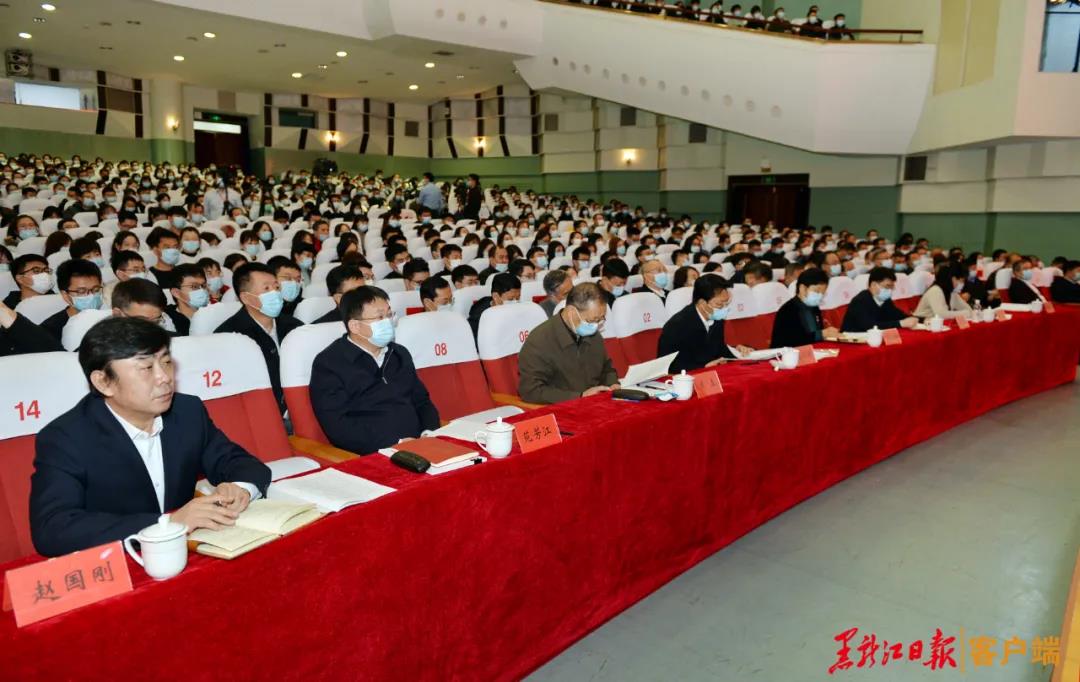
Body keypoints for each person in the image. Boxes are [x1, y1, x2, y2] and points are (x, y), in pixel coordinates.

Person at [29, 317, 270, 557]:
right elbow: (53, 529)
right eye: (146, 368)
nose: (164, 377)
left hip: (185, 553)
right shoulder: (65, 438)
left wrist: (239, 489)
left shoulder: (187, 412)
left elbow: (238, 462)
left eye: (166, 362)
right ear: (103, 382)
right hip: (120, 560)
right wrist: (167, 523)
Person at [309, 286, 439, 454]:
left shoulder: (399, 353)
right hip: (373, 453)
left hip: (420, 445)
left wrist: (428, 433)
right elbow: (338, 426)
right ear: (355, 326)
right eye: (380, 317)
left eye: (389, 314)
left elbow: (422, 402)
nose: (389, 322)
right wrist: (395, 443)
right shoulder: (329, 364)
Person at [214, 263, 304, 413]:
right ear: (246, 298)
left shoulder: (295, 326)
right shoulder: (227, 337)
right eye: (266, 288)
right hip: (260, 411)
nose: (275, 293)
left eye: (276, 287)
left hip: (300, 406)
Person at [518, 282, 619, 404]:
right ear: (571, 312)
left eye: (600, 319)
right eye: (592, 320)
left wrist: (612, 384)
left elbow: (607, 369)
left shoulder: (592, 334)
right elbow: (531, 391)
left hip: (596, 403)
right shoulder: (540, 341)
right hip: (564, 407)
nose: (596, 325)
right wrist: (580, 396)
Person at [658, 274, 754, 372]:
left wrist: (737, 350)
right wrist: (703, 367)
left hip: (712, 372)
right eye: (719, 304)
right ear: (702, 303)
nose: (724, 308)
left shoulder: (716, 318)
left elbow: (719, 349)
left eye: (726, 303)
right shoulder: (677, 325)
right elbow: (667, 365)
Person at [770, 267, 839, 347]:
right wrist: (821, 334)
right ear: (802, 288)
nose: (820, 296)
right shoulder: (787, 310)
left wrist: (827, 333)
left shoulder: (814, 307)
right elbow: (791, 341)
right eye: (817, 291)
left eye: (823, 293)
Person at [41, 259, 104, 341]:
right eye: (81, 291)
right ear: (65, 295)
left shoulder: (110, 315)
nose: (91, 296)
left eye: (96, 290)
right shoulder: (50, 330)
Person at [841, 267, 918, 332]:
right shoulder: (860, 301)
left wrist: (917, 319)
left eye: (892, 286)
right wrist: (900, 323)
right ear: (873, 285)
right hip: (852, 339)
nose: (890, 290)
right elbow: (869, 326)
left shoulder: (885, 299)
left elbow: (898, 315)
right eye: (888, 286)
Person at [468, 272, 521, 338]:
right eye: (511, 299)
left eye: (518, 298)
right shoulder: (479, 317)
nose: (515, 302)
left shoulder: (519, 308)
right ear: (496, 296)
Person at [164, 263, 209, 336]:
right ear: (176, 293)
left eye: (203, 286)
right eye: (195, 287)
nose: (202, 290)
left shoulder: (215, 312)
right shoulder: (167, 320)